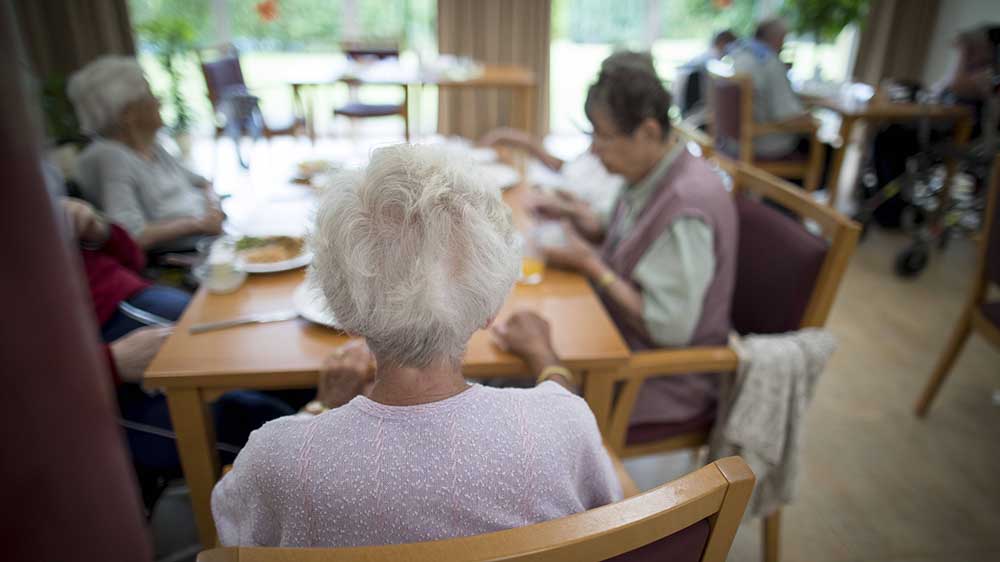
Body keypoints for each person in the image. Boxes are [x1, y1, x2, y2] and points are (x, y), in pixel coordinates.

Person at [212, 144, 621, 547]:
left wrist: (318, 408)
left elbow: (229, 536)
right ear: (490, 309)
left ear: (342, 312)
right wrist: (548, 361)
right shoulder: (564, 423)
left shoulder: (277, 459)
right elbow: (606, 509)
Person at [527, 57, 738, 428]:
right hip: (614, 341)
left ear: (648, 131)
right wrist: (573, 213)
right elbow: (622, 229)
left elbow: (668, 330)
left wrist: (591, 264)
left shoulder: (687, 205)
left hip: (655, 379)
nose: (594, 150)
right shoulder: (650, 170)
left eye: (603, 136)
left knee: (520, 374)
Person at [60, 196, 296, 509]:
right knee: (269, 428)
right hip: (101, 388)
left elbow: (133, 259)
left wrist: (98, 229)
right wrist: (109, 363)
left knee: (290, 374)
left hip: (153, 310)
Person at [68, 56, 224, 252]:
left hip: (208, 243)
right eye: (150, 95)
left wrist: (213, 209)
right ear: (128, 113)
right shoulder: (111, 157)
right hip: (177, 259)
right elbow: (130, 233)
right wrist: (198, 224)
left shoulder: (154, 147)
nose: (159, 101)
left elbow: (202, 182)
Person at [728, 18, 813, 159]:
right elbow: (788, 117)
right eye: (783, 40)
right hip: (764, 146)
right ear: (777, 38)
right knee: (823, 148)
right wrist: (813, 120)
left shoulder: (738, 55)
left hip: (733, 144)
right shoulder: (769, 62)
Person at [673, 29, 738, 124]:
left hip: (684, 103)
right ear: (723, 43)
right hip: (693, 105)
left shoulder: (705, 56)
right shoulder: (712, 62)